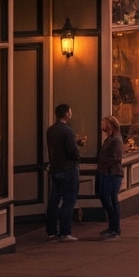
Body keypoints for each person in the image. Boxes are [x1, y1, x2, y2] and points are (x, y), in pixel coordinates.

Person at [45, 103, 82, 242]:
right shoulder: (68, 131)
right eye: (70, 112)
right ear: (66, 114)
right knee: (69, 200)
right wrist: (77, 157)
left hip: (55, 168)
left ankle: (52, 230)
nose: (71, 114)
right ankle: (65, 231)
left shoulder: (51, 130)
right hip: (68, 169)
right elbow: (72, 151)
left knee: (54, 199)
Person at [97, 116, 124, 240]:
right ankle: (112, 226)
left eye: (104, 123)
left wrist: (106, 167)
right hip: (105, 173)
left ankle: (115, 229)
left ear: (110, 125)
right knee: (105, 198)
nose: (101, 125)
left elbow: (116, 158)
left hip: (113, 173)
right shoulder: (108, 139)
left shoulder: (116, 140)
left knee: (111, 199)